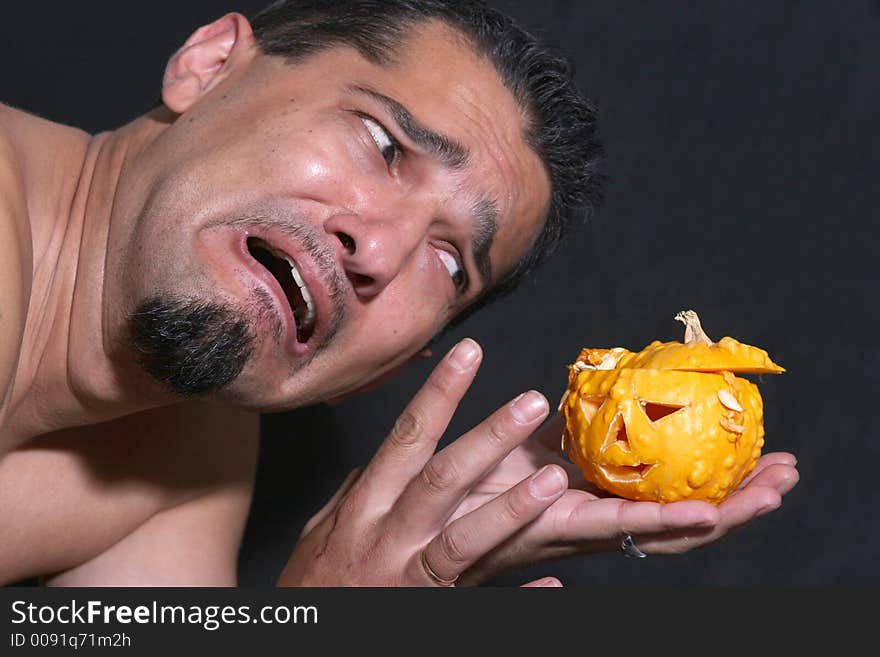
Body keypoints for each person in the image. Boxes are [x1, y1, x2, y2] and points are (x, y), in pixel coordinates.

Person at [0, 0, 798, 587]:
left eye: (449, 264)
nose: (378, 250)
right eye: (384, 143)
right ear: (209, 66)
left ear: (387, 370)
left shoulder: (188, 465)